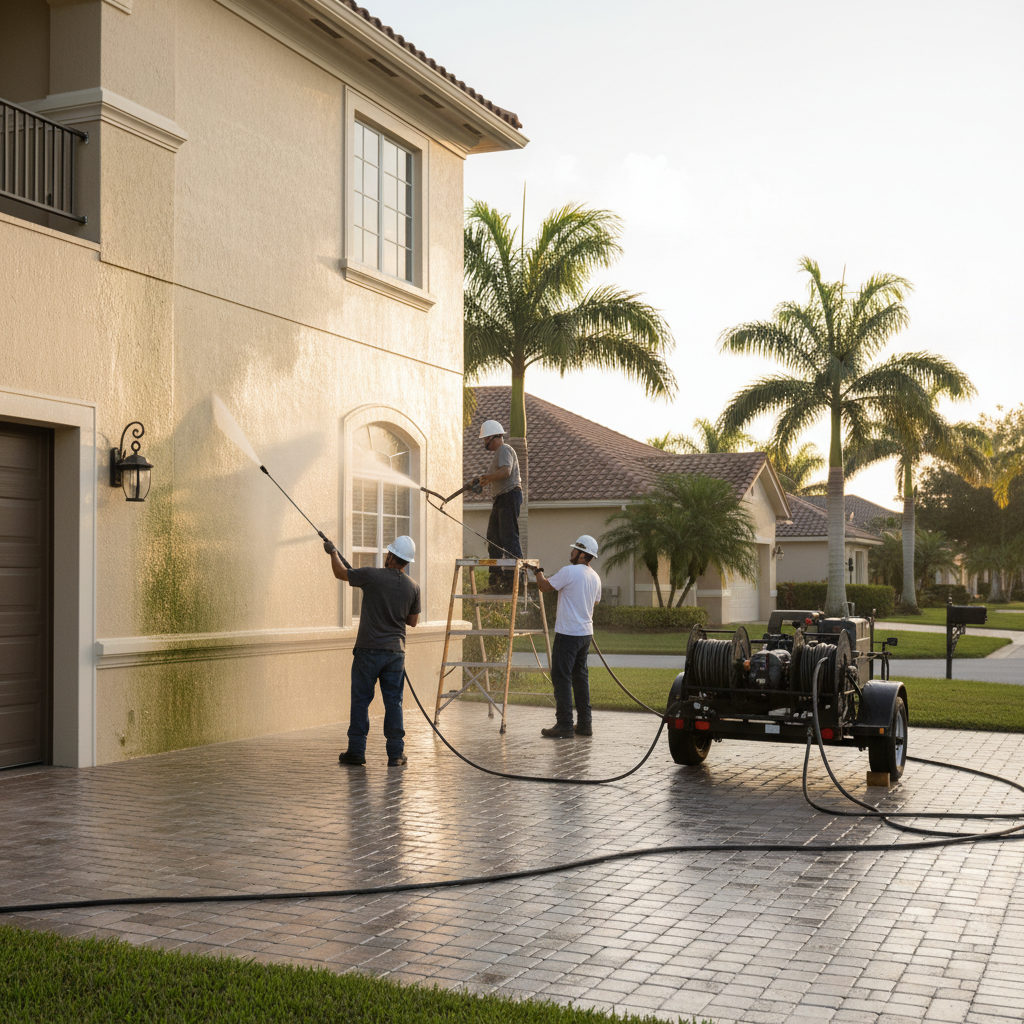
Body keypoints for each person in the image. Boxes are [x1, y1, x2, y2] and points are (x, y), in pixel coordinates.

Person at [322, 534, 420, 767]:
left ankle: (356, 751)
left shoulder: (372, 576)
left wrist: (333, 552)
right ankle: (396, 754)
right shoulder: (413, 587)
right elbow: (413, 621)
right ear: (407, 561)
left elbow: (340, 573)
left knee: (361, 701)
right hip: (395, 654)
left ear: (391, 556)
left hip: (368, 650)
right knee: (394, 703)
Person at [534, 535, 602, 738]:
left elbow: (544, 587)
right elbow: (595, 602)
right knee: (580, 678)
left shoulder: (569, 571)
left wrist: (538, 572)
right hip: (585, 635)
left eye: (574, 549)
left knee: (561, 677)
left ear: (582, 554)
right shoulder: (595, 577)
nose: (571, 552)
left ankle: (564, 724)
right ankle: (585, 725)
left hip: (568, 634)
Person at [473, 419, 523, 592]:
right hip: (501, 498)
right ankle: (495, 581)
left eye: (485, 440)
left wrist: (487, 478)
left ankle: (513, 581)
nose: (485, 444)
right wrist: (483, 481)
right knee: (493, 539)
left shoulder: (504, 449)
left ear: (493, 437)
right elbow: (496, 475)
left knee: (509, 537)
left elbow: (505, 472)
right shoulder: (498, 454)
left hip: (509, 495)